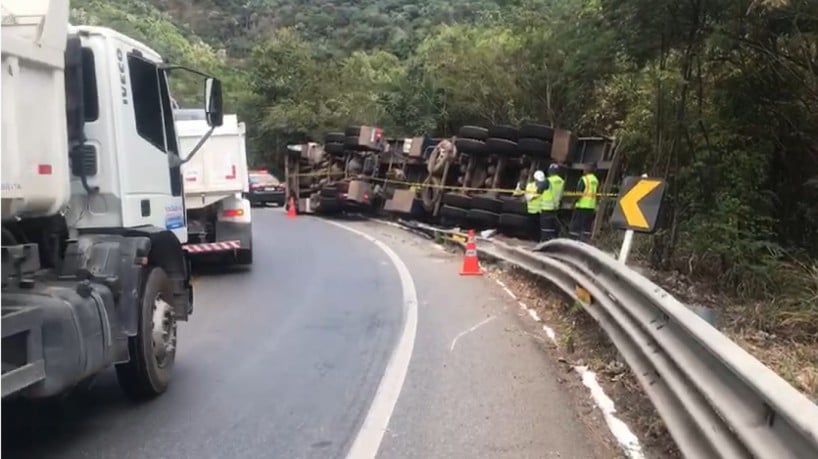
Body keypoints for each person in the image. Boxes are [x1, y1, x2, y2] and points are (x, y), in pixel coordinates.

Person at [569, 164, 599, 242]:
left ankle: (573, 242)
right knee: (586, 227)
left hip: (581, 206)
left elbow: (579, 193)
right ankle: (584, 242)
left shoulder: (584, 179)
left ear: (587, 170)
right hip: (591, 207)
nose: (583, 170)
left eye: (585, 168)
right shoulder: (595, 180)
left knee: (576, 227)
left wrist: (573, 203)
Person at [538, 163, 565, 242]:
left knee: (545, 228)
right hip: (555, 207)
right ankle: (551, 242)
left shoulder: (548, 180)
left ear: (550, 171)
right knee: (551, 228)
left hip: (546, 207)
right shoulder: (561, 181)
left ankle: (544, 242)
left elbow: (539, 189)